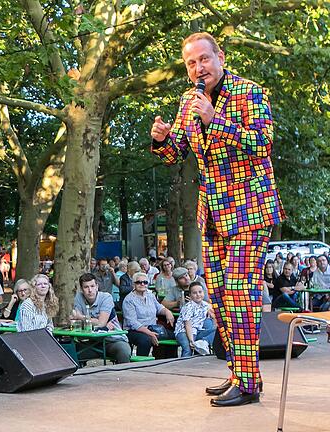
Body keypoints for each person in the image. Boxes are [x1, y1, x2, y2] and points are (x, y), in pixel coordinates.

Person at [151, 31, 285, 406]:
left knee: (241, 293)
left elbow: (263, 144)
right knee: (223, 298)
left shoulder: (250, 92)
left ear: (220, 56)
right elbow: (175, 152)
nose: (198, 68)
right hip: (210, 214)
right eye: (191, 62)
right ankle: (239, 374)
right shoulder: (187, 101)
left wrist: (217, 119)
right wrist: (162, 139)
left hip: (250, 210)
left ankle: (248, 383)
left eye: (204, 59)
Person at [72, 273, 131, 364]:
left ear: (97, 286)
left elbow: (100, 323)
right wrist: (77, 319)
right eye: (86, 287)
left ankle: (122, 377)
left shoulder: (106, 297)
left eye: (92, 286)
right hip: (93, 341)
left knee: (123, 351)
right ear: (81, 289)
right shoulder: (79, 297)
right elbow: (75, 322)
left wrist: (80, 317)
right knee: (70, 352)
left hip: (113, 340)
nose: (90, 290)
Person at [122, 272, 175, 357]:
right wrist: (149, 333)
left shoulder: (150, 295)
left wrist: (167, 312)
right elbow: (132, 322)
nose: (142, 284)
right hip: (134, 330)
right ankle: (141, 365)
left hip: (152, 327)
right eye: (139, 282)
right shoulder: (129, 300)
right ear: (133, 284)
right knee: (145, 340)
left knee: (173, 335)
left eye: (145, 282)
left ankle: (165, 361)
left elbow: (159, 308)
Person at [175, 282, 216, 357]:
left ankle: (204, 341)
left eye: (200, 292)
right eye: (194, 293)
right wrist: (191, 340)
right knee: (187, 348)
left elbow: (214, 314)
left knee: (217, 331)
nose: (198, 295)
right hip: (183, 331)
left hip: (197, 331)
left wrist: (212, 314)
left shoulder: (205, 305)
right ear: (190, 295)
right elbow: (188, 325)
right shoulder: (188, 307)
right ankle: (183, 365)